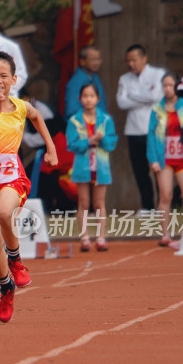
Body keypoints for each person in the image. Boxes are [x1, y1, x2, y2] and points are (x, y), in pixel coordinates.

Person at [0, 51, 57, 323]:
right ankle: (6, 288)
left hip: (11, 178)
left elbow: (37, 117)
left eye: (4, 75)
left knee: (5, 212)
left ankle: (16, 260)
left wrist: (51, 149)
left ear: (14, 79)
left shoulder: (21, 106)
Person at [66, 83, 117, 252]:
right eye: (85, 96)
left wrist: (101, 139)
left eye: (92, 96)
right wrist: (88, 141)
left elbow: (111, 144)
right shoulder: (74, 120)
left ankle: (101, 237)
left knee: (99, 203)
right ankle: (85, 237)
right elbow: (71, 144)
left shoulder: (106, 120)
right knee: (84, 203)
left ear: (98, 99)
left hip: (100, 167)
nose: (88, 99)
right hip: (82, 167)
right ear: (80, 99)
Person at [116, 44, 165, 216]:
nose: (131, 64)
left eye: (134, 60)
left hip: (154, 129)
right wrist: (145, 96)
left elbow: (157, 97)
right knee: (139, 170)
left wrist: (133, 95)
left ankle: (162, 204)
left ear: (144, 58)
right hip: (133, 130)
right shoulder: (124, 78)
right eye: (128, 60)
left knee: (158, 168)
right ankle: (147, 205)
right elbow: (121, 102)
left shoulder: (157, 74)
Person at [147, 72, 183, 246]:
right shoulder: (157, 109)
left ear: (177, 86)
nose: (167, 89)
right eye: (164, 85)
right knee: (165, 195)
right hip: (164, 158)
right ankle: (165, 233)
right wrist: (153, 160)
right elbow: (151, 134)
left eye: (170, 85)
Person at [63, 45, 107, 119]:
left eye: (98, 59)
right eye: (93, 60)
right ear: (82, 61)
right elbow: (72, 111)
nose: (97, 63)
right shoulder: (76, 82)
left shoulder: (94, 77)